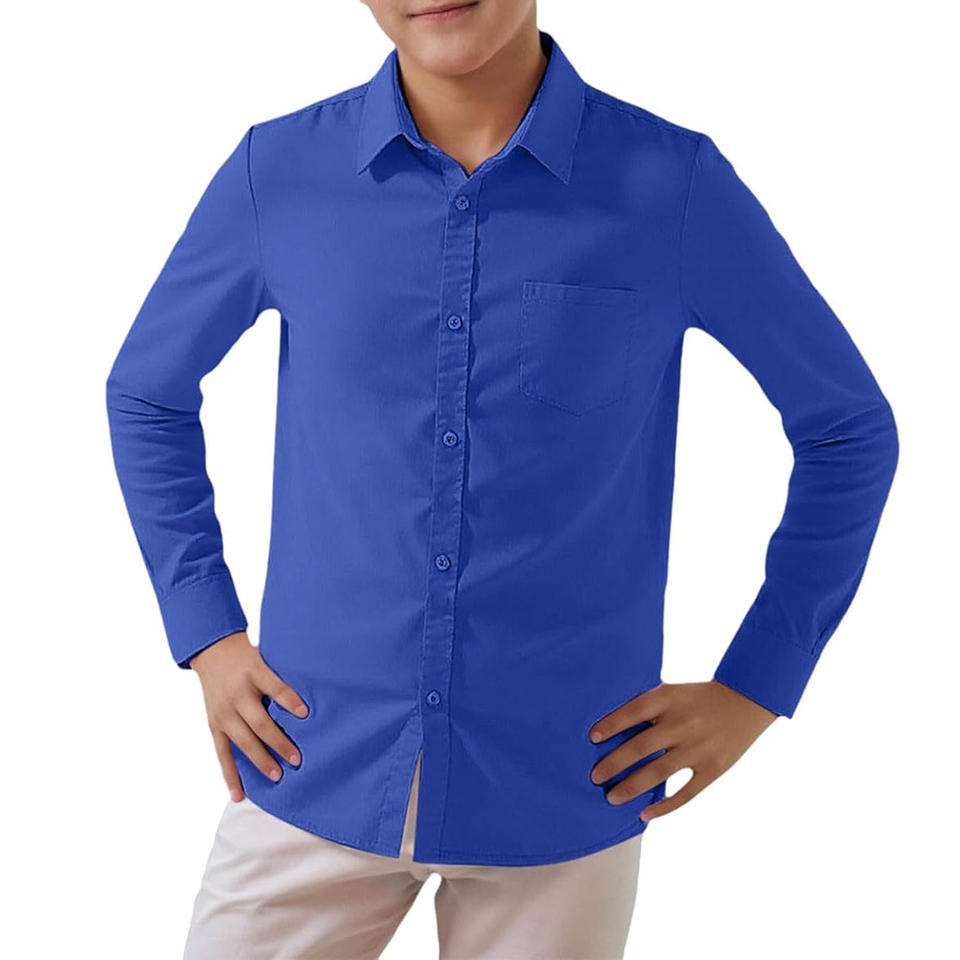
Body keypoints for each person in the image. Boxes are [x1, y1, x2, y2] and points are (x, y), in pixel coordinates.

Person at [105, 2, 899, 957]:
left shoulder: (670, 185)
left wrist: (758, 684)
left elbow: (847, 430)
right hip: (311, 758)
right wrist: (208, 632)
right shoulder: (278, 172)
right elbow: (147, 394)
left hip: (564, 786)